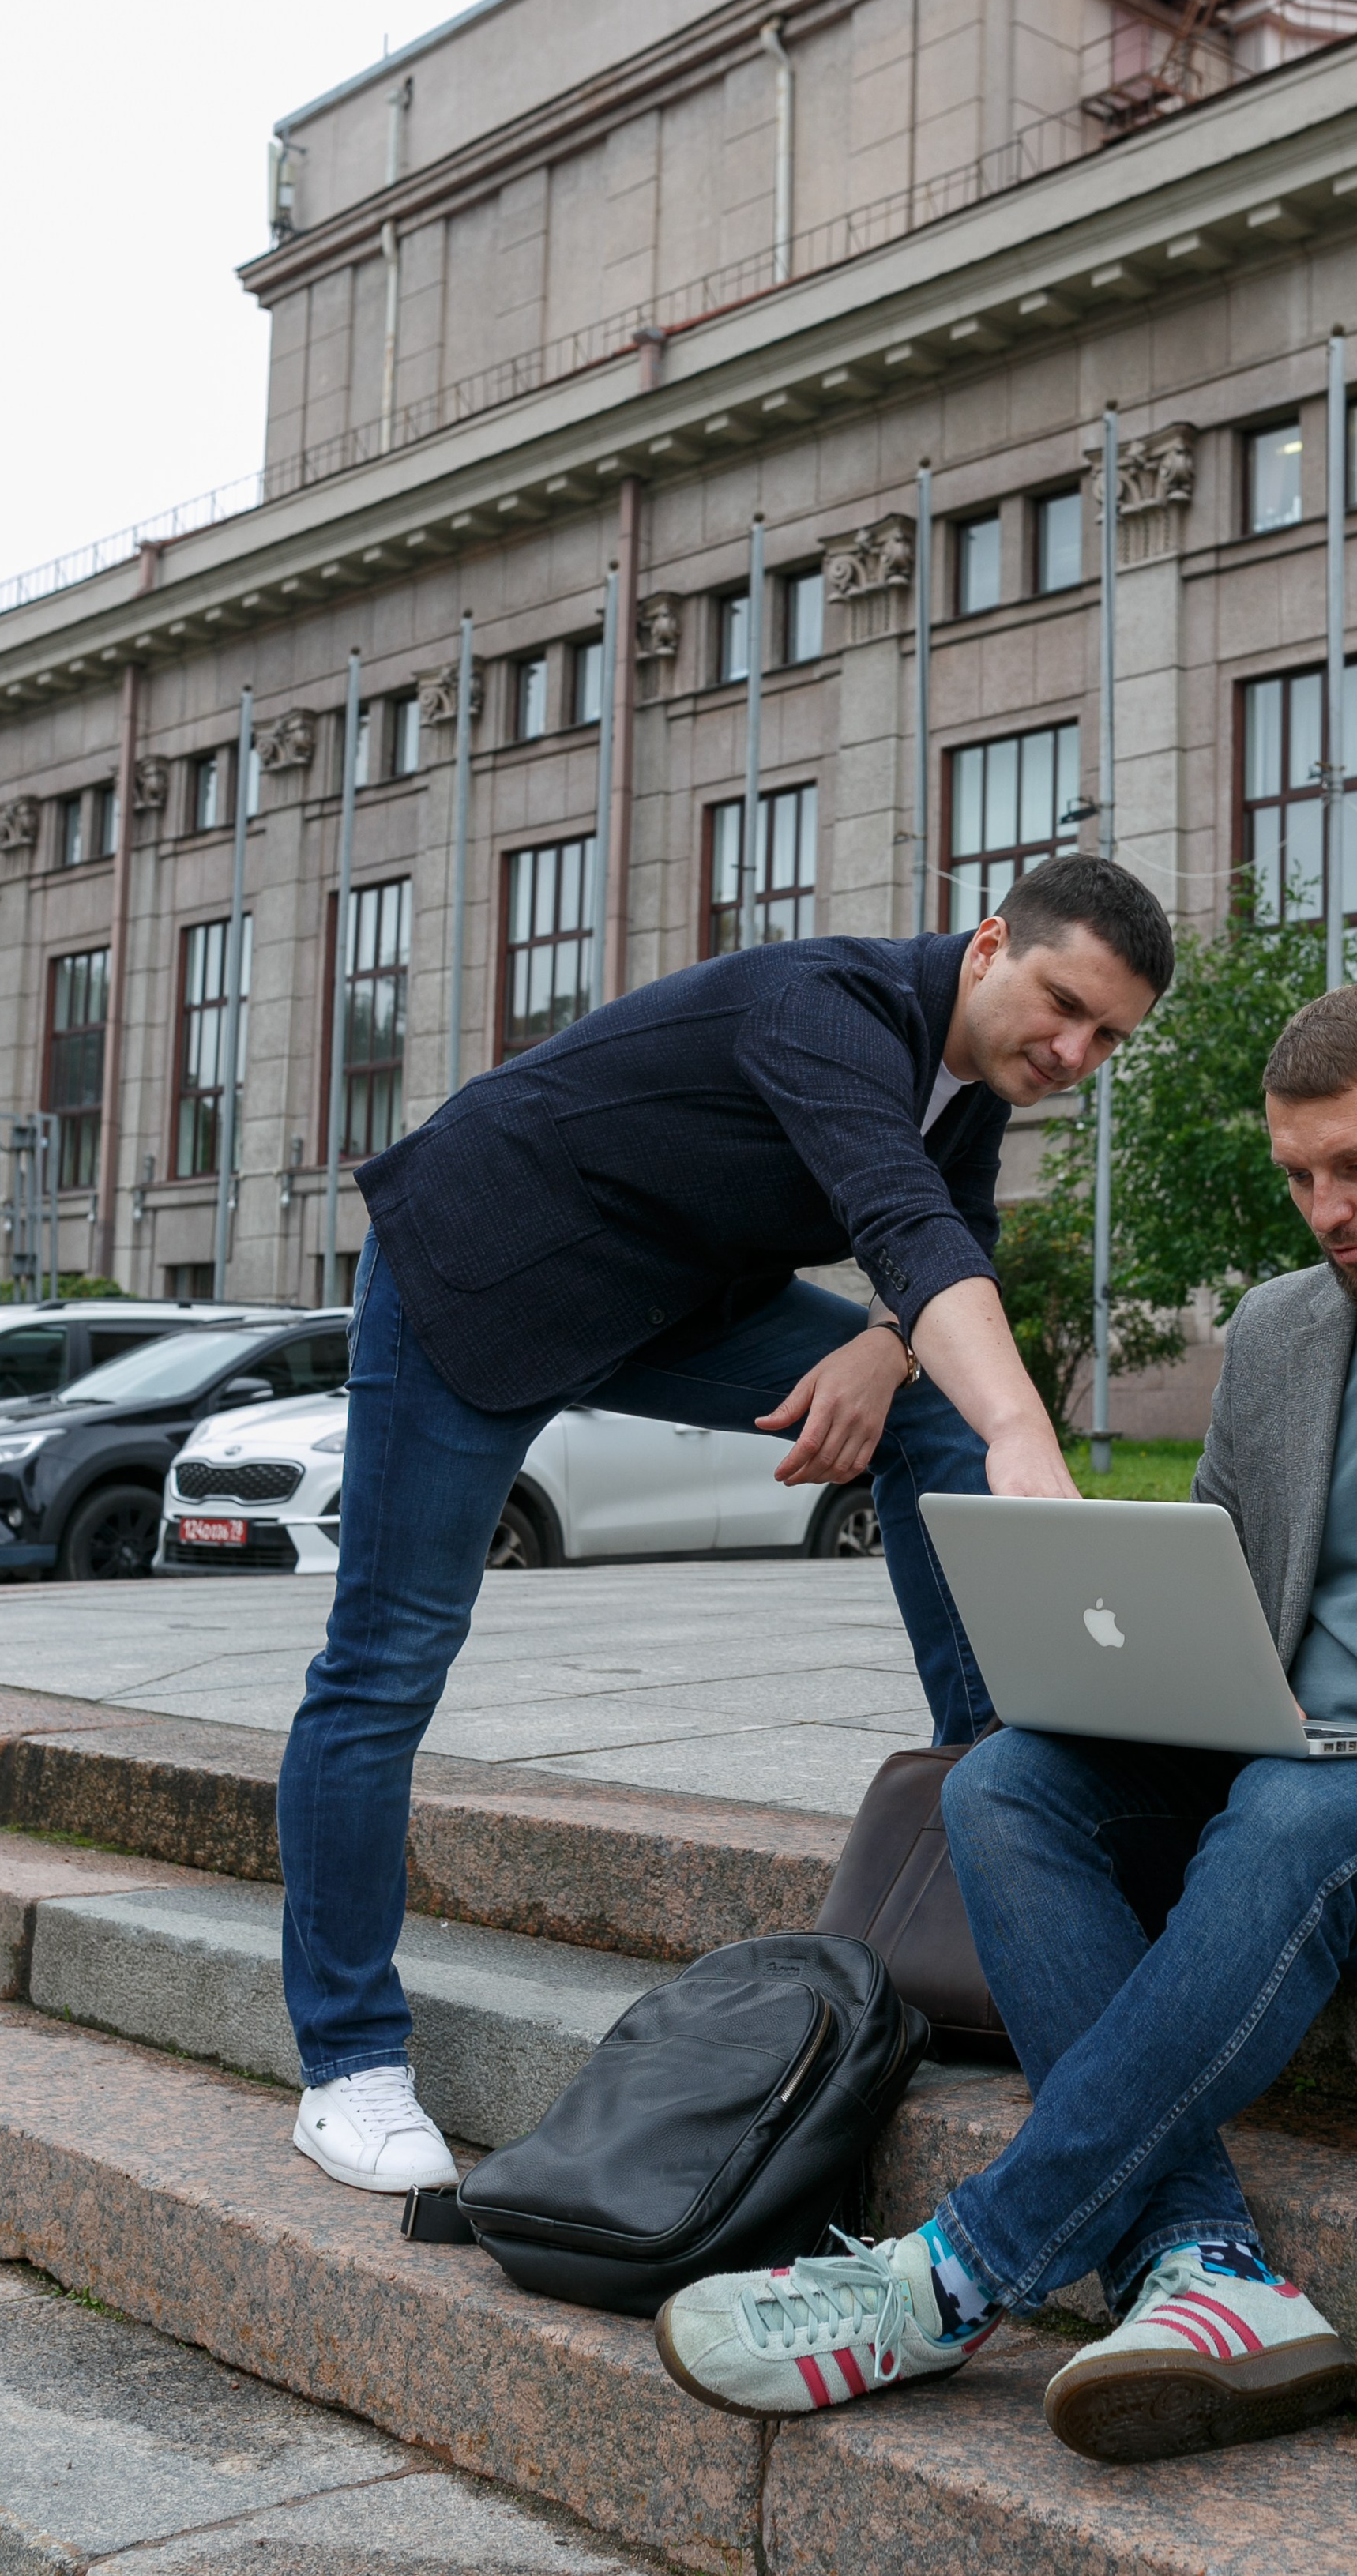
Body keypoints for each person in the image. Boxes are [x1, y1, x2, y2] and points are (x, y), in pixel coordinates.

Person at [656, 980, 1357, 2467]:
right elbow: (1225, 1590)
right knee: (1011, 1787)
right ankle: (1209, 2266)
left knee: (1295, 1819)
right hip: (1293, 1782)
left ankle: (957, 2273)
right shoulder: (1286, 1330)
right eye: (1298, 1175)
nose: (1326, 1211)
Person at [280, 852, 1174, 2195]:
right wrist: (1022, 1431)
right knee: (386, 1662)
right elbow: (897, 1218)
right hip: (481, 1271)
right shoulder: (820, 1004)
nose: (1072, 1051)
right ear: (988, 946)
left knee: (920, 1408)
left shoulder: (972, 1085)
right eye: (1061, 1006)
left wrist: (888, 1348)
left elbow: (946, 1238)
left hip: (671, 1298)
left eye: (1108, 1038)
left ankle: (998, 1821)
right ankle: (346, 2060)